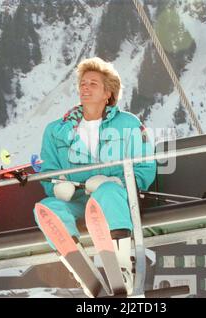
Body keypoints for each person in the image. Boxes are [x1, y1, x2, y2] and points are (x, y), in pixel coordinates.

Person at [34, 57, 156, 296]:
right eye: (82, 83)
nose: (85, 88)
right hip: (77, 201)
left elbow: (144, 167)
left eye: (93, 84)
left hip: (117, 199)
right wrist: (57, 187)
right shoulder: (56, 130)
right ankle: (84, 273)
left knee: (107, 194)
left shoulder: (128, 124)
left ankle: (122, 268)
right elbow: (48, 172)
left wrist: (116, 182)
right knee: (48, 209)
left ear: (107, 93)